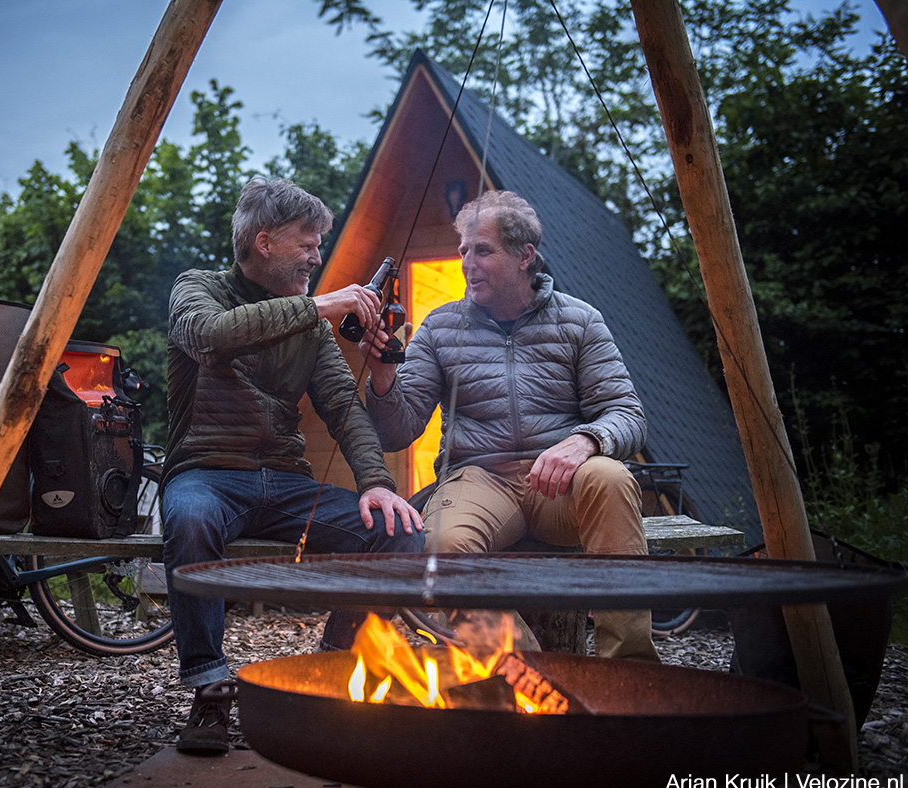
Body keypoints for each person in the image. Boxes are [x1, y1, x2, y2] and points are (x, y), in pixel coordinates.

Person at [161, 176, 425, 755]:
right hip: (206, 470)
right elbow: (209, 339)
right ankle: (207, 690)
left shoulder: (311, 328)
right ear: (264, 241)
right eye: (307, 243)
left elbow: (344, 409)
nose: (317, 255)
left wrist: (378, 484)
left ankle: (331, 667)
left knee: (401, 531)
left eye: (319, 244)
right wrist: (318, 306)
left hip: (285, 483)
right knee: (189, 520)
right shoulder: (197, 289)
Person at [362, 190, 658, 663]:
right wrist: (382, 377)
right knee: (442, 547)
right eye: (463, 251)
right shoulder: (440, 327)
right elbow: (398, 431)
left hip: (560, 483)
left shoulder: (580, 321)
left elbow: (627, 414)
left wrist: (584, 442)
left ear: (526, 257)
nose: (466, 263)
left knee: (613, 477)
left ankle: (629, 671)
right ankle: (533, 674)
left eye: (482, 250)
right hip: (479, 478)